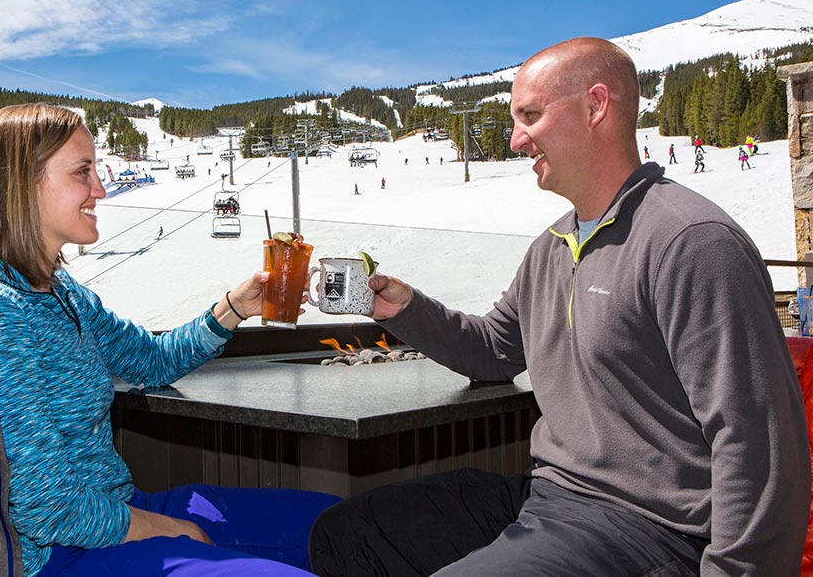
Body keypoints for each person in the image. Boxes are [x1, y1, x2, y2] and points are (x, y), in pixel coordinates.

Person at [308, 38, 809, 576]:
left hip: (655, 530)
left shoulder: (691, 242)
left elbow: (759, 443)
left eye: (530, 116)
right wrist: (404, 309)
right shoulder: (552, 247)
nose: (517, 140)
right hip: (549, 500)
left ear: (596, 107)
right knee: (347, 533)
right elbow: (495, 351)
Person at [0, 104, 338, 577]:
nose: (100, 189)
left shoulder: (64, 296)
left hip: (117, 514)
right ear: (19, 184)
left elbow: (152, 361)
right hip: (63, 556)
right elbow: (46, 508)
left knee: (334, 523)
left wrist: (236, 307)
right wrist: (170, 529)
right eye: (83, 172)